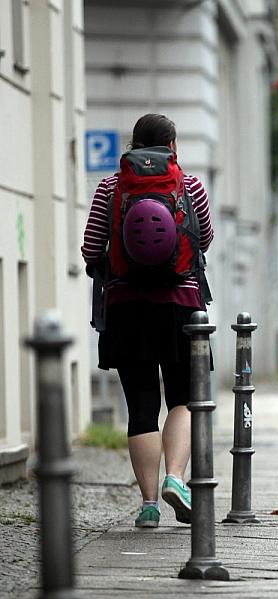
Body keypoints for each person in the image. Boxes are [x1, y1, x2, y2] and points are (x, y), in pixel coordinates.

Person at [81, 114, 214, 528]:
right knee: (183, 400)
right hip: (181, 308)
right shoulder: (190, 186)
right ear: (172, 146)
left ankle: (150, 505)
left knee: (140, 408)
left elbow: (90, 248)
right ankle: (176, 478)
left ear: (133, 145)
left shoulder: (110, 187)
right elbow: (204, 239)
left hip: (126, 308)